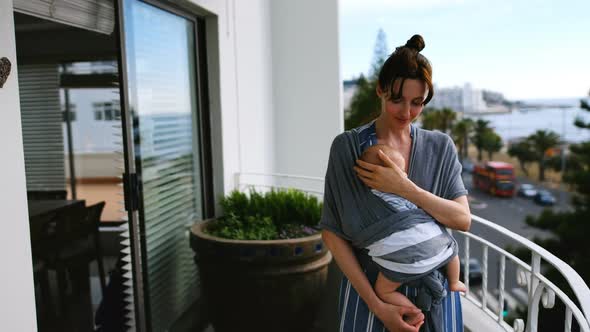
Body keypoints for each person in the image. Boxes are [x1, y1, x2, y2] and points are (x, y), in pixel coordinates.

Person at [320, 34, 471, 332]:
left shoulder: (440, 147)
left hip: (436, 294)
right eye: (397, 100)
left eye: (417, 103)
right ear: (380, 90)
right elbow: (332, 232)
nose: (406, 112)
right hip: (371, 292)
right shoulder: (348, 148)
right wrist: (379, 305)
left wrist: (404, 188)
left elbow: (462, 219)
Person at [360, 144, 466, 311]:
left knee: (383, 291)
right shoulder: (404, 193)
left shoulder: (368, 200)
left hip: (399, 261)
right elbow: (421, 211)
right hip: (434, 249)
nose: (405, 176)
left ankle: (412, 310)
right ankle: (454, 282)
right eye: (401, 172)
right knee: (452, 251)